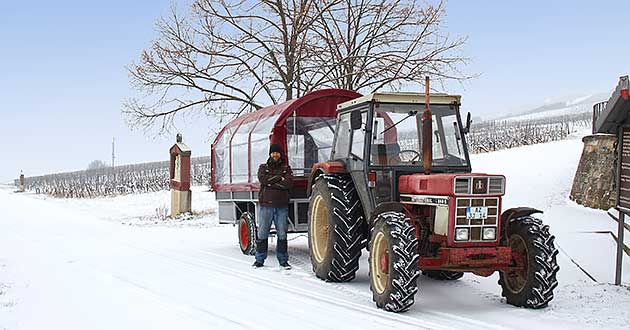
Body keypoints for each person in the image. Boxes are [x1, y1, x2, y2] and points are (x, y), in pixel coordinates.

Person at [253, 143, 294, 269]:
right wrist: (279, 179)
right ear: (270, 154)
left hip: (281, 206)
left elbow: (288, 183)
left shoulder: (286, 168)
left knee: (282, 233)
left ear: (280, 154)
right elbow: (262, 179)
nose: (275, 155)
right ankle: (259, 260)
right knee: (263, 232)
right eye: (273, 152)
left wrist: (271, 182)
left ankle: (283, 260)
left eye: (277, 152)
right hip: (266, 205)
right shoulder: (263, 167)